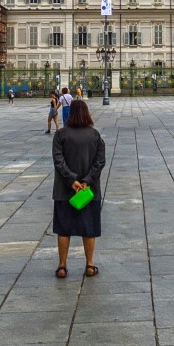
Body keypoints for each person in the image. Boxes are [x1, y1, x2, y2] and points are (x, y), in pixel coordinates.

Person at [51, 99, 106, 279]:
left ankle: (62, 266)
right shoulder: (95, 136)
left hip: (64, 190)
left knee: (63, 229)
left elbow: (58, 161)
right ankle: (90, 265)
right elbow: (100, 162)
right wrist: (87, 181)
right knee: (89, 228)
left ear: (70, 114)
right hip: (88, 192)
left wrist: (71, 180)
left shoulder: (60, 135)